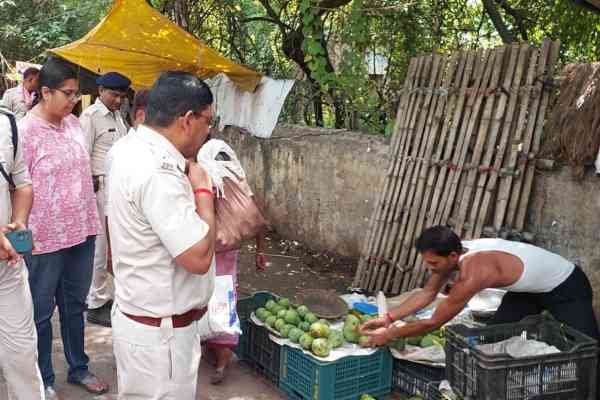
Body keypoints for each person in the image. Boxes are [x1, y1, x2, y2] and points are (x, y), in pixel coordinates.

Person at [108, 71, 216, 399]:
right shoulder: (159, 171)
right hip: (161, 339)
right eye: (209, 121)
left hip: (143, 324)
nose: (210, 130)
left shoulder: (130, 148)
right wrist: (203, 192)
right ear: (187, 120)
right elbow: (197, 256)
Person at [18, 59, 108, 399]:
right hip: (42, 239)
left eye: (76, 94)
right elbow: (16, 187)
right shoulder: (24, 132)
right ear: (45, 92)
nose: (73, 100)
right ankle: (44, 378)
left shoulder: (72, 124)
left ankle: (79, 368)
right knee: (41, 312)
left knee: (75, 306)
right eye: (67, 94)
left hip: (81, 232)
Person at [360, 225, 600, 346]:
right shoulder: (455, 249)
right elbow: (427, 293)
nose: (429, 268)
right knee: (494, 337)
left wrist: (389, 335)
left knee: (587, 347)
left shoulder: (474, 273)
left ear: (453, 256)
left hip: (567, 285)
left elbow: (434, 322)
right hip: (528, 291)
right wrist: (388, 318)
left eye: (433, 263)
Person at [79, 72, 131, 328]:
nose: (119, 100)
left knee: (117, 244)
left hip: (118, 187)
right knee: (100, 248)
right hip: (98, 187)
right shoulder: (90, 117)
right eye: (114, 95)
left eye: (122, 96)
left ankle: (105, 295)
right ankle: (95, 303)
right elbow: (81, 156)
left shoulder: (119, 117)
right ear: (101, 91)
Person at [0, 108, 45, 400]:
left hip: (7, 270)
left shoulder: (7, 124)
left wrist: (19, 222)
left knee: (23, 357)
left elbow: (22, 183)